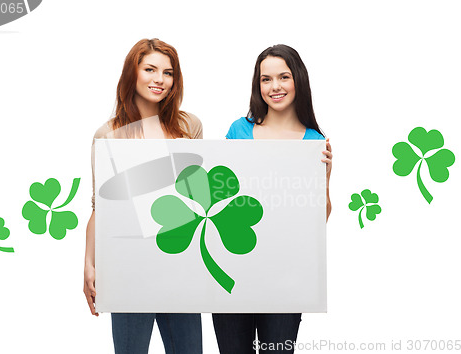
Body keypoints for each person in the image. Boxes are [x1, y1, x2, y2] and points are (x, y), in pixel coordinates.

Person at [83, 38, 203, 354]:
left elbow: (199, 196)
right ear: (132, 73)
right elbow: (100, 206)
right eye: (150, 69)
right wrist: (89, 264)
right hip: (128, 263)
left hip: (179, 261)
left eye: (168, 72)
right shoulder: (108, 133)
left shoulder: (188, 126)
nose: (159, 79)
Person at [212, 44, 333, 353]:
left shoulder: (315, 142)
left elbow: (317, 220)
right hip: (234, 270)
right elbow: (220, 198)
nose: (275, 86)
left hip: (285, 277)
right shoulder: (239, 131)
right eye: (266, 79)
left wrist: (326, 178)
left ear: (298, 81)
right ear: (258, 85)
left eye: (283, 77)